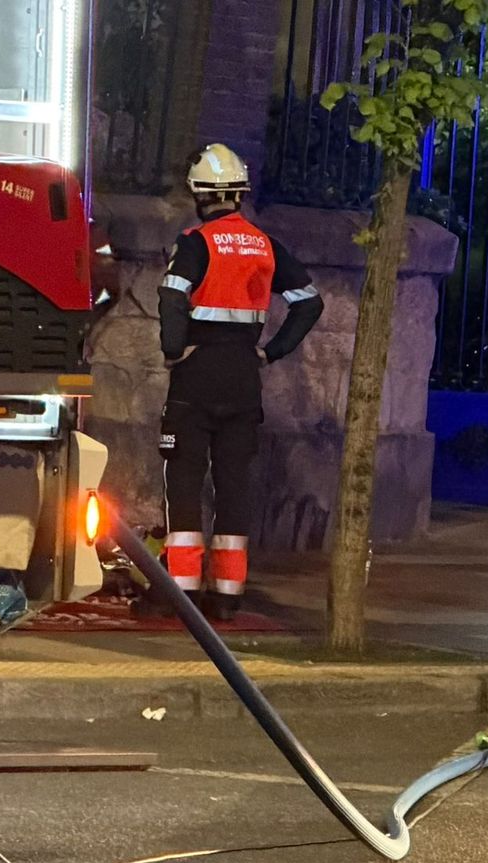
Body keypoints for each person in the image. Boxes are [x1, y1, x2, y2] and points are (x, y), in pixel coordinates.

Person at [138, 144, 324, 622]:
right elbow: (308, 303)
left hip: (196, 377)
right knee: (234, 485)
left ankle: (181, 594)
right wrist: (271, 351)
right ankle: (226, 595)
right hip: (244, 377)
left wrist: (174, 349)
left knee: (183, 481)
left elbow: (173, 297)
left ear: (200, 195)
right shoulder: (265, 245)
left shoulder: (196, 242)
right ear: (239, 194)